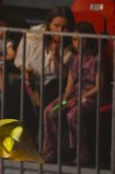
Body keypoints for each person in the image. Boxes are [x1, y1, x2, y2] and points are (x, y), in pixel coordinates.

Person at [42, 22, 104, 165]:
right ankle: (53, 150)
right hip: (74, 97)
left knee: (73, 115)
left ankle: (82, 152)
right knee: (50, 111)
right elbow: (70, 83)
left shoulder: (97, 59)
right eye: (75, 40)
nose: (78, 43)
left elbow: (99, 86)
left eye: (82, 39)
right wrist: (64, 98)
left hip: (90, 98)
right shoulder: (74, 59)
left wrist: (81, 97)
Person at [14, 6, 75, 111]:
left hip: (55, 83)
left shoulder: (73, 44)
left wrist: (55, 55)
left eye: (65, 27)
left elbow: (63, 75)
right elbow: (20, 59)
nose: (60, 31)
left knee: (53, 89)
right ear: (49, 24)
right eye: (56, 26)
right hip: (32, 79)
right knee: (16, 88)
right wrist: (24, 70)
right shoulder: (34, 34)